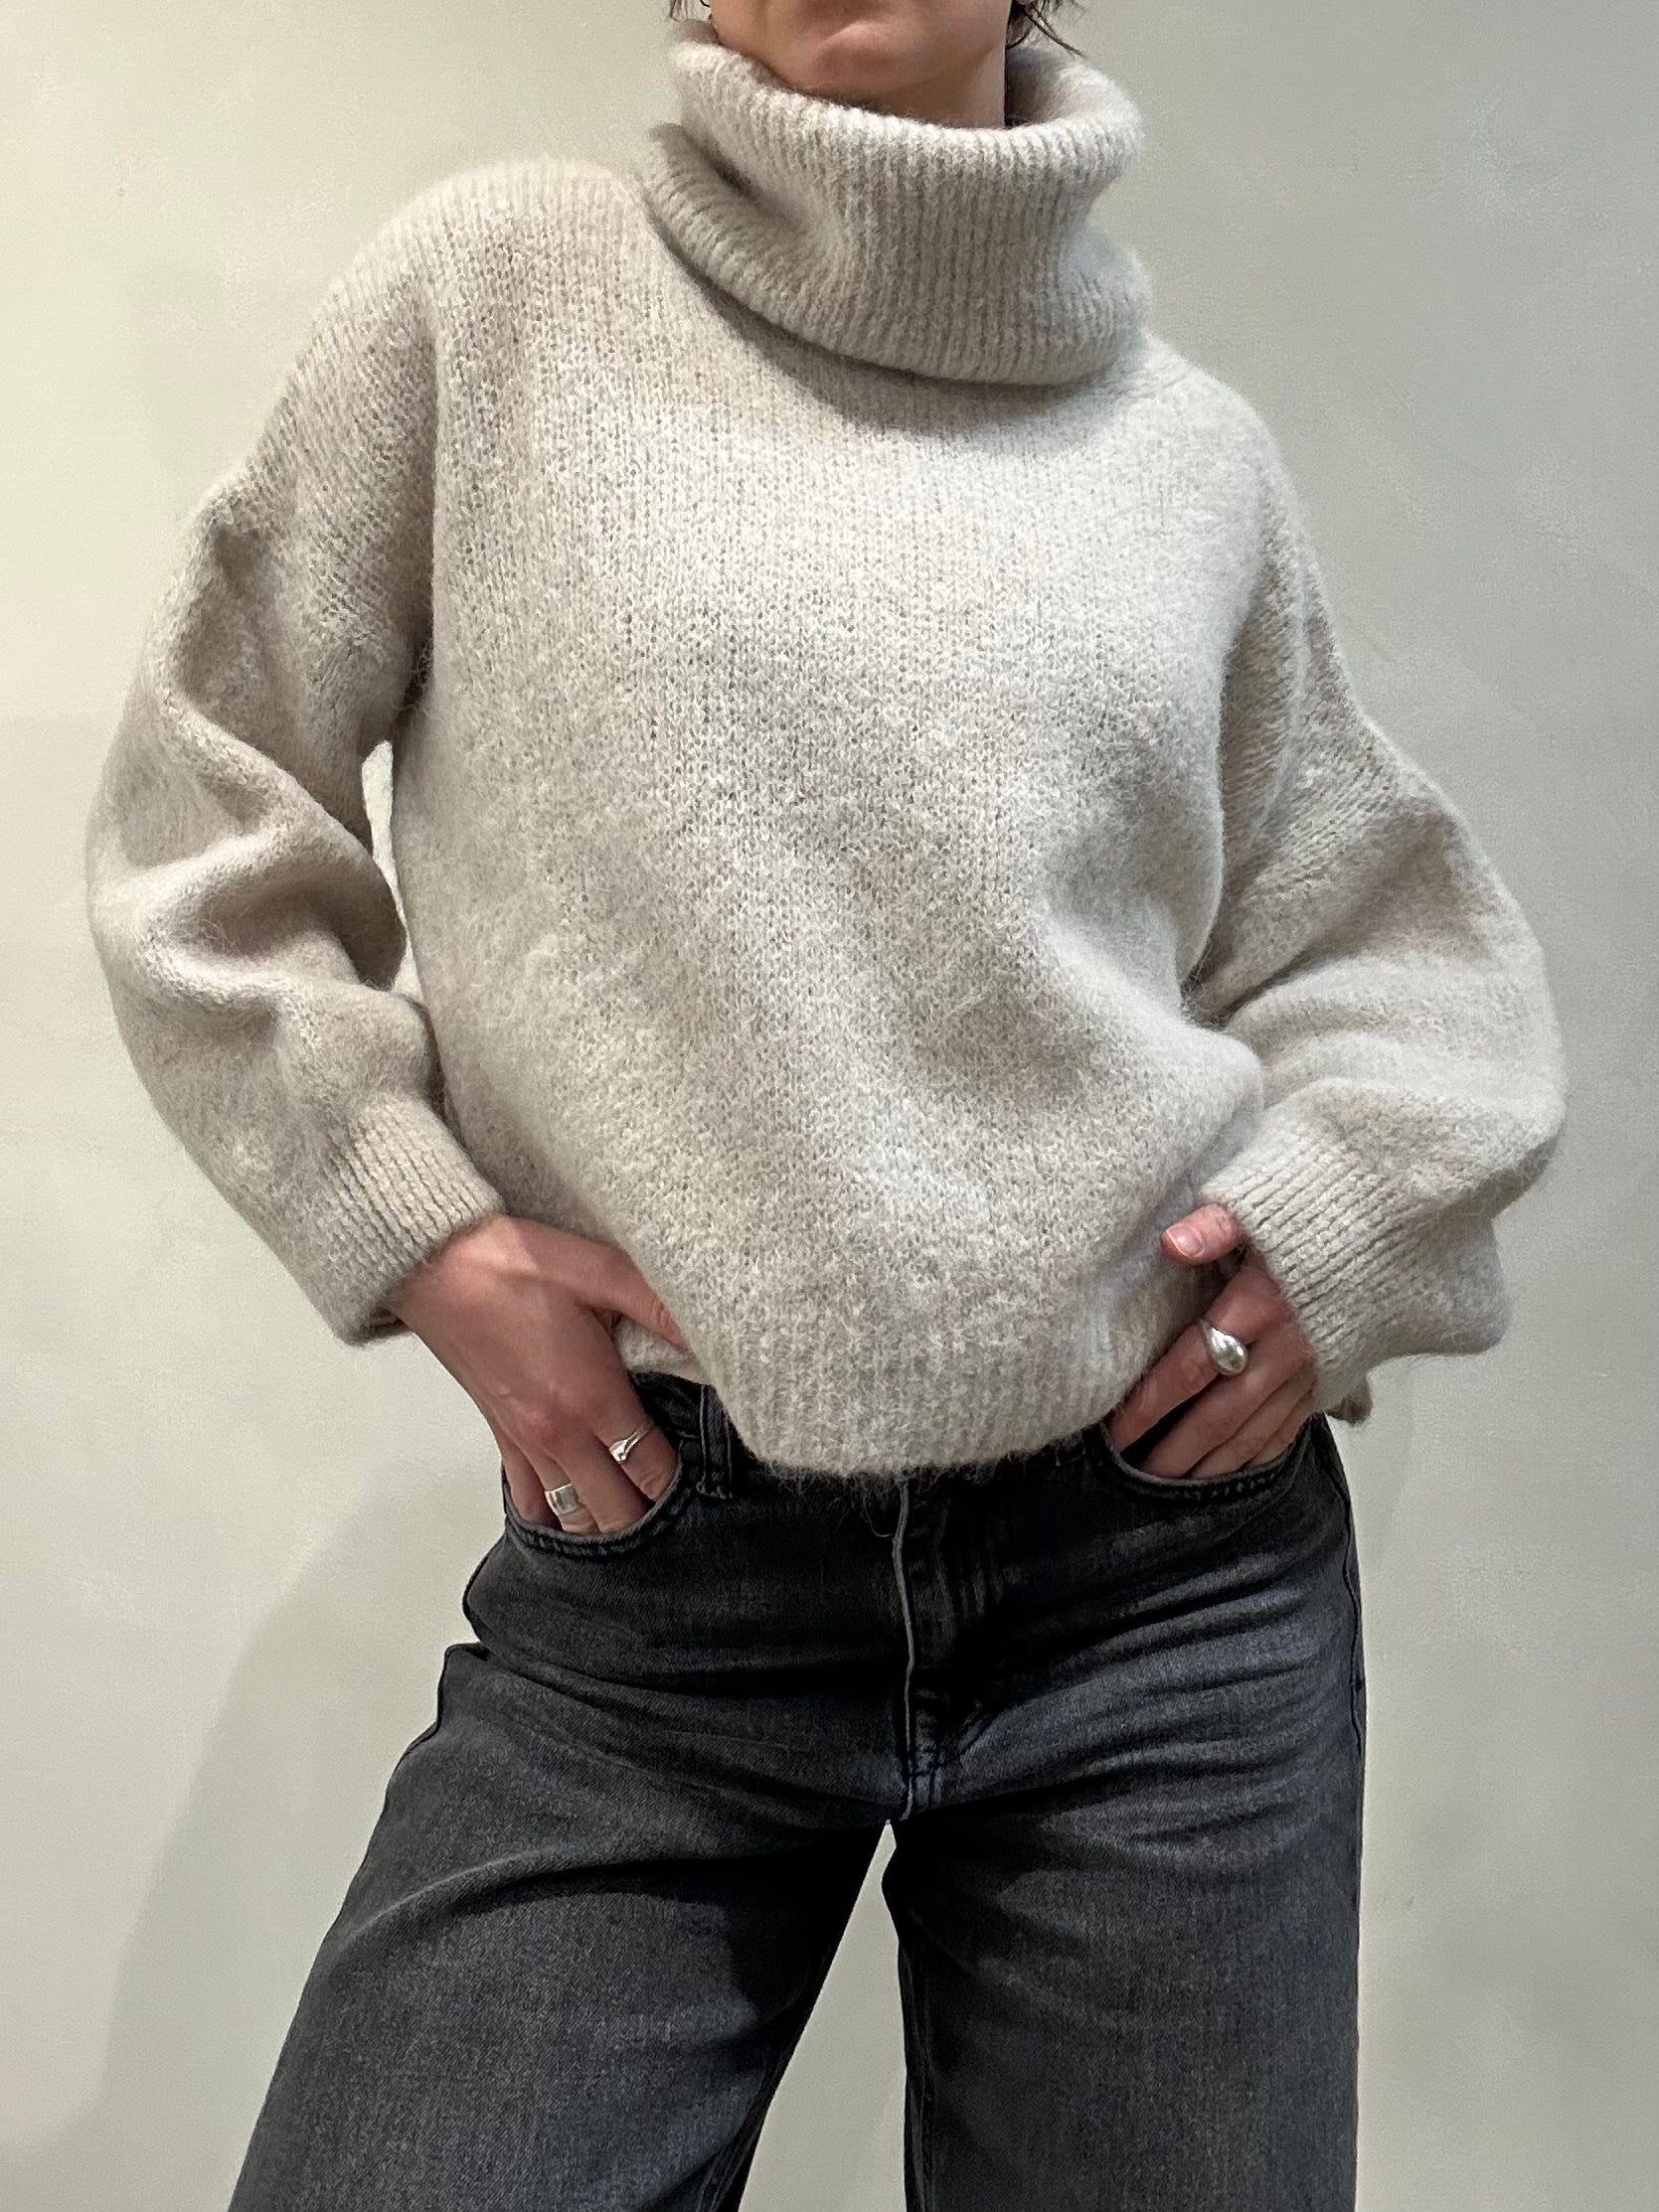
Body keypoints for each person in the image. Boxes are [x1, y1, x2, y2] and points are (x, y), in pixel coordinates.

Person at [83, 2, 1568, 2205]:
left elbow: (1389, 943)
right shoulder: (495, 302)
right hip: (656, 1587)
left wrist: (1328, 1231)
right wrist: (420, 1229)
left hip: (1160, 1597)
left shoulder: (1190, 464)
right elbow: (206, 815)